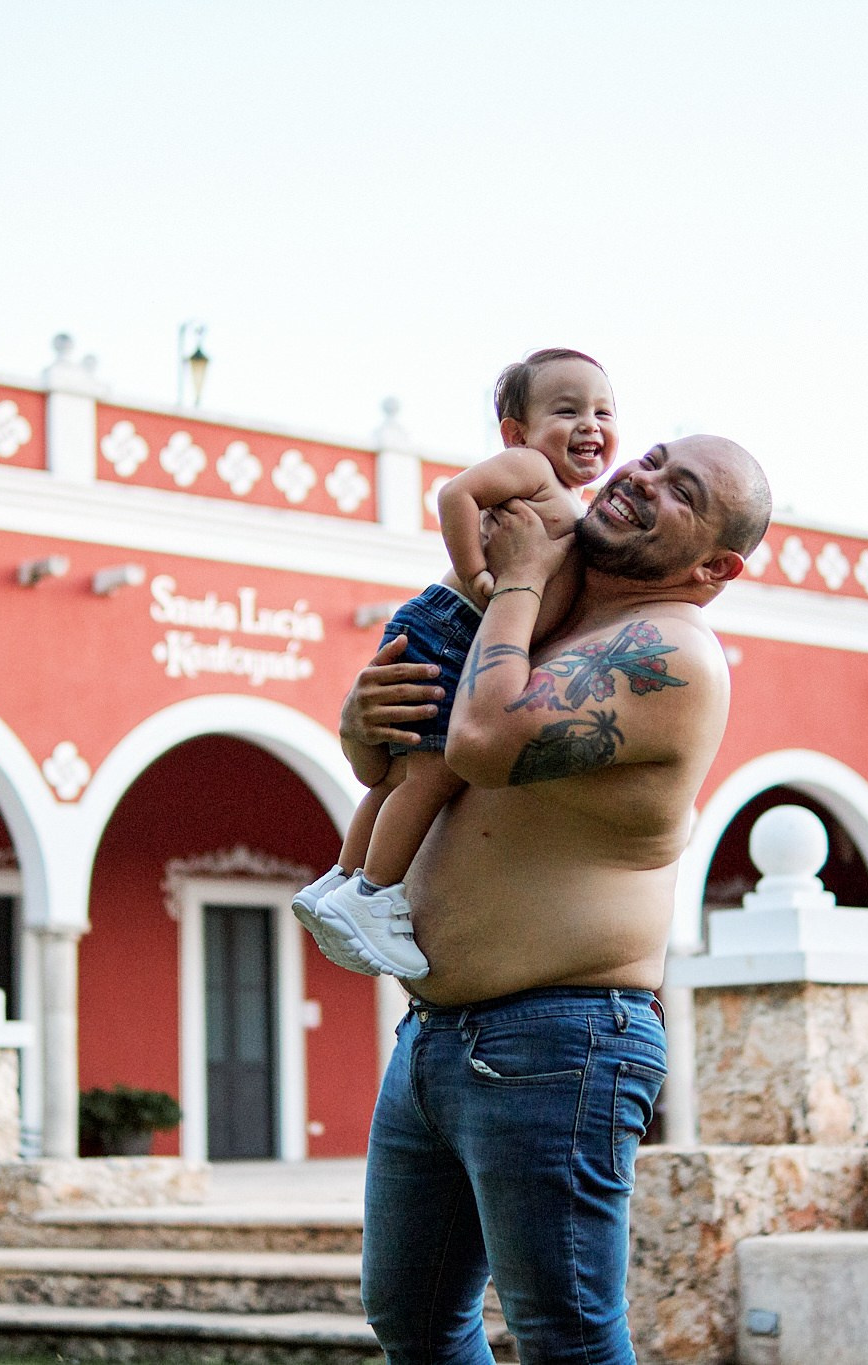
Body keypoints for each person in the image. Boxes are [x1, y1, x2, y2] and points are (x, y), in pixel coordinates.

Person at [343, 435, 772, 1365]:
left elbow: (485, 740)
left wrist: (519, 581)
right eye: (652, 459)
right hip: (432, 1036)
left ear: (715, 566)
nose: (640, 478)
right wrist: (358, 723)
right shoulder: (557, 621)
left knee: (565, 1338)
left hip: (560, 1039)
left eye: (681, 490)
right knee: (412, 1323)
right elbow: (414, 764)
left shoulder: (671, 650)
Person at [293, 349, 618, 980]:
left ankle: (340, 880)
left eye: (603, 411)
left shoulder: (580, 505)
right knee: (432, 775)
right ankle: (373, 895)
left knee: (395, 781)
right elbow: (455, 494)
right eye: (567, 410)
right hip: (453, 626)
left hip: (448, 631)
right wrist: (478, 573)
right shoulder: (530, 471)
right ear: (516, 433)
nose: (589, 425)